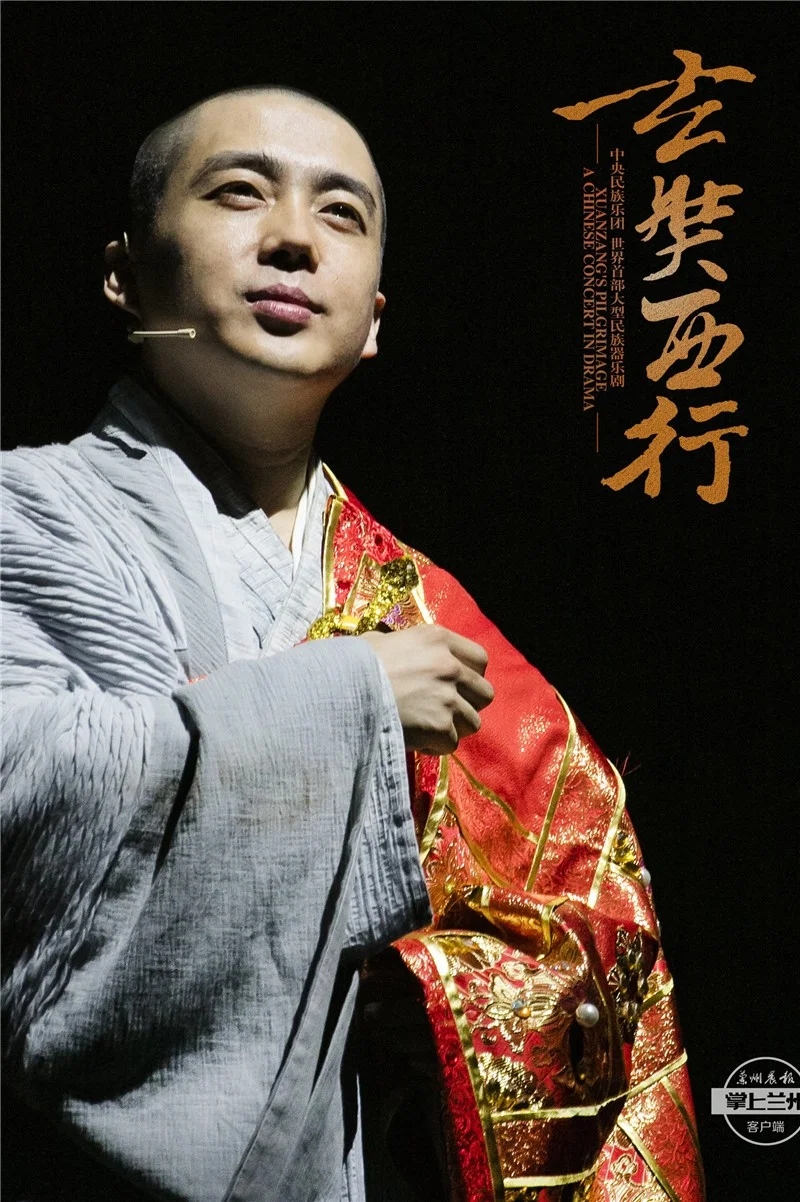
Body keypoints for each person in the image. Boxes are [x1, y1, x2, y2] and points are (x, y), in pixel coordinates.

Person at [1, 87, 705, 1202]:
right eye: (240, 192)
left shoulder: (428, 607)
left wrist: (440, 995)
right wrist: (350, 701)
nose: (293, 238)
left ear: (372, 318)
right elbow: (26, 783)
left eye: (340, 213)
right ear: (124, 273)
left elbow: (601, 931)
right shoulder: (27, 511)